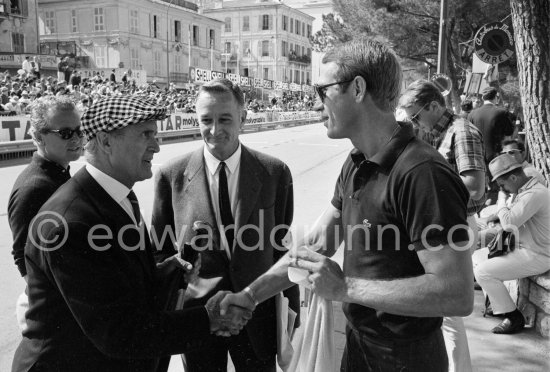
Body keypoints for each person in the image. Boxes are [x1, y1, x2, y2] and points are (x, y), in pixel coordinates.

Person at [216, 38, 474, 372]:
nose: (317, 103)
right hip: (358, 349)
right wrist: (250, 295)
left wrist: (344, 288)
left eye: (322, 90)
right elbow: (317, 245)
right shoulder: (356, 162)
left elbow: (456, 293)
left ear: (357, 88)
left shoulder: (423, 173)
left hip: (407, 360)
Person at [12, 95, 251, 372]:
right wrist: (209, 319)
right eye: (146, 134)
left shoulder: (120, 197)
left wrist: (166, 272)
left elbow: (119, 283)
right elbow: (118, 331)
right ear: (106, 141)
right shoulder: (71, 224)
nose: (157, 146)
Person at [151, 78, 300, 371]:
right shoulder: (171, 175)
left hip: (257, 317)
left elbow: (282, 249)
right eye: (206, 120)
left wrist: (291, 312)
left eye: (225, 119)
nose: (215, 130)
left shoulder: (274, 172)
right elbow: (159, 251)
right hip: (198, 320)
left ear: (243, 118)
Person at [399, 80, 487, 372]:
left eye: (415, 115)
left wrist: (426, 185)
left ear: (434, 106)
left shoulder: (461, 132)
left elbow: (475, 186)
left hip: (456, 226)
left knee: (446, 310)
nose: (413, 122)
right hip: (446, 227)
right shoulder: (438, 133)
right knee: (444, 312)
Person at [8, 96, 83, 330]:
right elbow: (24, 258)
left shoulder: (57, 173)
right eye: (66, 133)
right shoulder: (34, 187)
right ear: (39, 137)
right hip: (57, 316)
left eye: (79, 130)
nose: (77, 138)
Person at [473, 154, 550, 334]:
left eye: (502, 185)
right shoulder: (524, 191)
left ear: (514, 178)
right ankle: (496, 304)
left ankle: (513, 317)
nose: (503, 189)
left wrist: (501, 197)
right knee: (477, 257)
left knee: (483, 272)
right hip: (525, 249)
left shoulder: (535, 194)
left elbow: (508, 222)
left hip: (539, 254)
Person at [467, 86, 514, 163]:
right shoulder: (502, 112)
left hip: (477, 158)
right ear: (496, 97)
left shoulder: (471, 114)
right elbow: (509, 133)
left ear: (482, 98)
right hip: (496, 158)